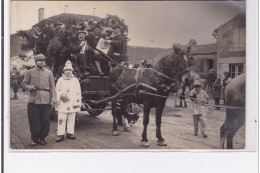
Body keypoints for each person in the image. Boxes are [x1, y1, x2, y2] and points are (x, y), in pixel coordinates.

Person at [21, 54, 56, 146]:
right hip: (33, 100)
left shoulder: (49, 73)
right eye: (39, 60)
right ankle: (35, 138)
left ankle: (42, 138)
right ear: (35, 61)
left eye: (43, 60)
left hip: (46, 99)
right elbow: (23, 84)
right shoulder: (30, 72)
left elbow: (53, 88)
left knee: (45, 120)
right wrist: (31, 87)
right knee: (34, 120)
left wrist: (53, 100)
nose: (41, 62)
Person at [55, 60, 82, 142]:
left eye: (70, 70)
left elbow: (78, 91)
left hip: (72, 102)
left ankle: (70, 133)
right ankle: (60, 134)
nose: (68, 72)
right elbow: (57, 90)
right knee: (61, 118)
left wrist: (77, 102)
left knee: (71, 118)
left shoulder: (75, 80)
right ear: (64, 71)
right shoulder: (60, 80)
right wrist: (61, 96)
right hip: (63, 102)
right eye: (66, 70)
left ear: (72, 71)